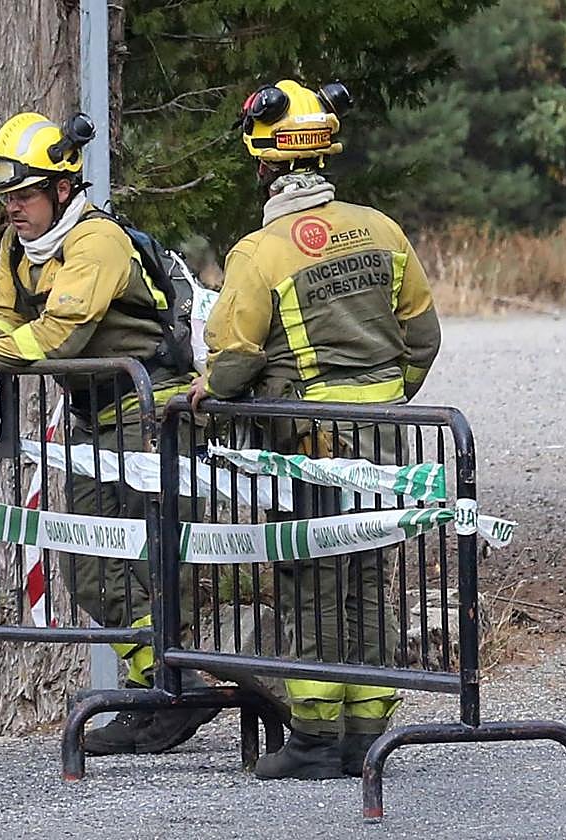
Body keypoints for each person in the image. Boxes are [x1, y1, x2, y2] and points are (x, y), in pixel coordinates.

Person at [0, 111, 217, 755]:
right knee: (91, 569)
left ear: (64, 189)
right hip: (98, 419)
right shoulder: (21, 247)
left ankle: (172, 692)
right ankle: (163, 690)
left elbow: (61, 334)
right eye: (6, 197)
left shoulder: (96, 242)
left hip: (154, 415)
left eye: (26, 195)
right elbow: (5, 317)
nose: (13, 209)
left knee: (148, 564)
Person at [189, 80, 441, 780]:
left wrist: (207, 390)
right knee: (367, 577)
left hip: (308, 446)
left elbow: (237, 358)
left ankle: (312, 740)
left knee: (314, 580)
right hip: (389, 439)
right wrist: (387, 400)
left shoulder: (260, 253)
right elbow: (423, 336)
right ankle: (367, 735)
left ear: (263, 165)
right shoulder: (382, 229)